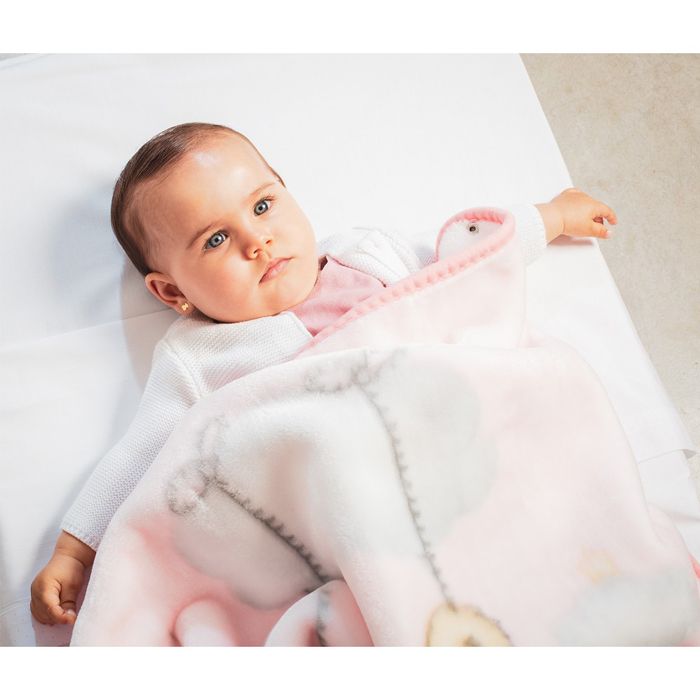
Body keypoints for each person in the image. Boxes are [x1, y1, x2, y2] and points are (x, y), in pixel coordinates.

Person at [29, 122, 618, 626]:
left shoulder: (368, 253)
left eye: (262, 206)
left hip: (452, 435)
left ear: (286, 191)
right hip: (355, 505)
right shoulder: (201, 356)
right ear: (171, 292)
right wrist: (76, 550)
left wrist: (551, 216)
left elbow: (466, 259)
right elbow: (141, 452)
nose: (257, 240)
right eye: (216, 240)